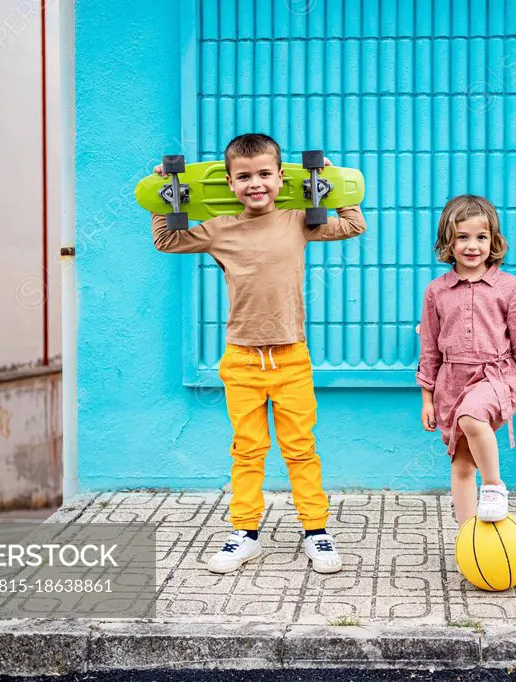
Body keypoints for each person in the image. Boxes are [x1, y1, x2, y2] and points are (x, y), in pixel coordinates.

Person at [151, 133, 366, 573]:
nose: (256, 184)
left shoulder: (298, 220)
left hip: (291, 358)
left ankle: (317, 533)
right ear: (229, 183)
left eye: (264, 174)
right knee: (247, 452)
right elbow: (167, 241)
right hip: (242, 361)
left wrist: (332, 178)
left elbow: (353, 223)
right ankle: (244, 534)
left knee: (301, 450)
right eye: (244, 176)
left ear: (280, 177)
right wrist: (161, 196)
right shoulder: (218, 229)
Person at [416, 194, 516, 525]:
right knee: (462, 465)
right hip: (451, 382)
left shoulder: (508, 287)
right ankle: (468, 538)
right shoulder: (437, 291)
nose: (472, 246)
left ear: (493, 241)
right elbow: (430, 348)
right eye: (462, 237)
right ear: (448, 243)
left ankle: (493, 486)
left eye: (481, 237)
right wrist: (426, 399)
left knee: (471, 415)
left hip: (496, 377)